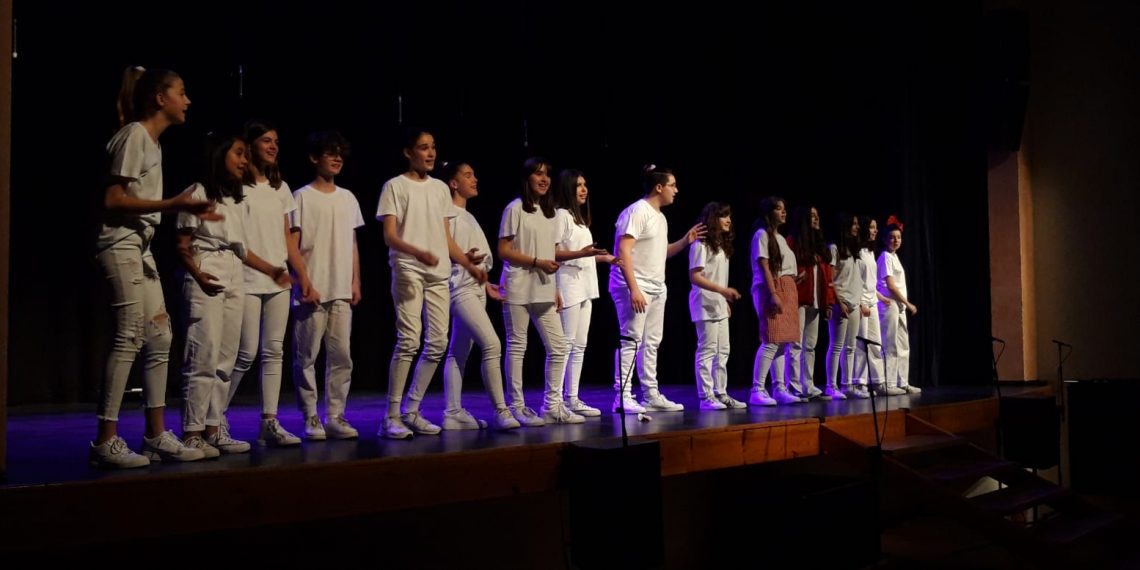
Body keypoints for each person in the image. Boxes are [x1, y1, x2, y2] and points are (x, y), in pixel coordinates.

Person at [90, 66, 211, 468]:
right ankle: (105, 441)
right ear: (160, 98)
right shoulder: (134, 136)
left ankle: (156, 435)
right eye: (181, 92)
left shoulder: (153, 144)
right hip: (120, 243)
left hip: (140, 246)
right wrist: (172, 204)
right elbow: (113, 199)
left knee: (160, 336)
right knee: (129, 335)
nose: (187, 100)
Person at [176, 134, 293, 456]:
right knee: (203, 355)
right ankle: (192, 432)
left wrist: (273, 270)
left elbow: (241, 250)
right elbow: (182, 244)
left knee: (226, 358)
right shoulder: (198, 192)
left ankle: (214, 429)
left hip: (234, 271)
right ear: (220, 156)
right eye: (238, 154)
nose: (244, 161)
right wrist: (198, 274)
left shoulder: (235, 198)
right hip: (207, 267)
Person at [377, 128, 487, 439]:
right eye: (423, 147)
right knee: (409, 341)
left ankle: (411, 410)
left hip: (438, 273)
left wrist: (467, 264)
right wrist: (418, 251)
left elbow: (445, 238)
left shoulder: (439, 189)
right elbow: (390, 236)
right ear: (408, 152)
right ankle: (391, 416)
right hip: (408, 270)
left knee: (438, 343)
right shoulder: (394, 186)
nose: (430, 153)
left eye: (433, 147)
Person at [223, 120, 311, 446]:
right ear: (250, 146)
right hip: (247, 278)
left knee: (273, 352)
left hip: (279, 281)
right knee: (245, 353)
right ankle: (213, 417)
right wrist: (268, 269)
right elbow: (236, 241)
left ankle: (269, 422)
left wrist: (303, 276)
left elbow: (288, 239)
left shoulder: (280, 188)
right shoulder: (236, 187)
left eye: (276, 141)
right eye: (266, 141)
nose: (273, 146)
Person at [609, 165, 705, 413]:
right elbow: (623, 251)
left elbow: (662, 253)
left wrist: (685, 241)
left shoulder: (660, 217)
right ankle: (622, 396)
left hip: (655, 287)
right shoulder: (637, 211)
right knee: (631, 339)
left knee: (651, 342)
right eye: (672, 185)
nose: (676, 190)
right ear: (659, 187)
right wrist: (634, 289)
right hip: (634, 285)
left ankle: (650, 394)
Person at [291, 131, 366, 439]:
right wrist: (304, 281)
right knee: (306, 355)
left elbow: (352, 243)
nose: (337, 159)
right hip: (312, 288)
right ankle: (310, 415)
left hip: (341, 289)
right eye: (329, 153)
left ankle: (335, 415)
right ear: (314, 158)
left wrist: (355, 280)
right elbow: (292, 244)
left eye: (340, 154)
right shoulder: (301, 196)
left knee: (342, 355)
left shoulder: (348, 197)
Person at [498, 157, 582, 425]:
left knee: (558, 348)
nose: (544, 179)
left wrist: (555, 287)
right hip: (518, 286)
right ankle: (517, 406)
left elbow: (550, 253)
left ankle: (552, 405)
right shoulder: (514, 209)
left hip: (545, 287)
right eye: (538, 174)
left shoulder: (550, 213)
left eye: (547, 174)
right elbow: (503, 250)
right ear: (527, 178)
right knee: (517, 346)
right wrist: (536, 262)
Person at [438, 161, 520, 430]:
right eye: (467, 175)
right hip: (459, 289)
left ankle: (452, 411)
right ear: (453, 183)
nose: (474, 179)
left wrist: (485, 284)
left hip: (474, 288)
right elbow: (446, 253)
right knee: (492, 345)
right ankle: (501, 410)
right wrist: (466, 262)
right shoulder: (447, 215)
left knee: (459, 350)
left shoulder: (468, 216)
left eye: (474, 175)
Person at [552, 168, 617, 417]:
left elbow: (583, 256)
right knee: (566, 344)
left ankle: (572, 398)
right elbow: (552, 252)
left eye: (585, 184)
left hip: (585, 285)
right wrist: (583, 254)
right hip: (568, 283)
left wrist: (606, 258)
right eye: (578, 185)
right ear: (568, 188)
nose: (584, 189)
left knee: (579, 345)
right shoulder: (561, 215)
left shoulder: (578, 219)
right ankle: (556, 401)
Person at [687, 202, 745, 410]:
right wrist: (722, 291)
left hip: (718, 304)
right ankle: (706, 396)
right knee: (707, 350)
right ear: (713, 219)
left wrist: (723, 300)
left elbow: (718, 276)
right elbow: (695, 276)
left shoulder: (721, 244)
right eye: (724, 216)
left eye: (729, 216)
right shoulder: (700, 244)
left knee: (723, 351)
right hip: (704, 303)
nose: (729, 220)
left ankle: (721, 393)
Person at [750, 196, 801, 406]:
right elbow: (764, 266)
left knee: (781, 341)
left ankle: (779, 387)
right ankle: (757, 389)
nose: (783, 212)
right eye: (778, 209)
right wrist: (773, 293)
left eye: (784, 208)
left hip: (785, 288)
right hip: (771, 288)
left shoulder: (779, 238)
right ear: (768, 213)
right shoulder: (761, 235)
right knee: (771, 340)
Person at [877, 216, 922, 396]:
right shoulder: (885, 257)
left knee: (903, 345)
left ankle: (902, 382)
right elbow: (890, 285)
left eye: (898, 237)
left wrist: (904, 305)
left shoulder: (895, 257)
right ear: (885, 239)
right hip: (890, 305)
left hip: (899, 307)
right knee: (890, 344)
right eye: (892, 237)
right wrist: (908, 303)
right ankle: (888, 383)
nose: (896, 240)